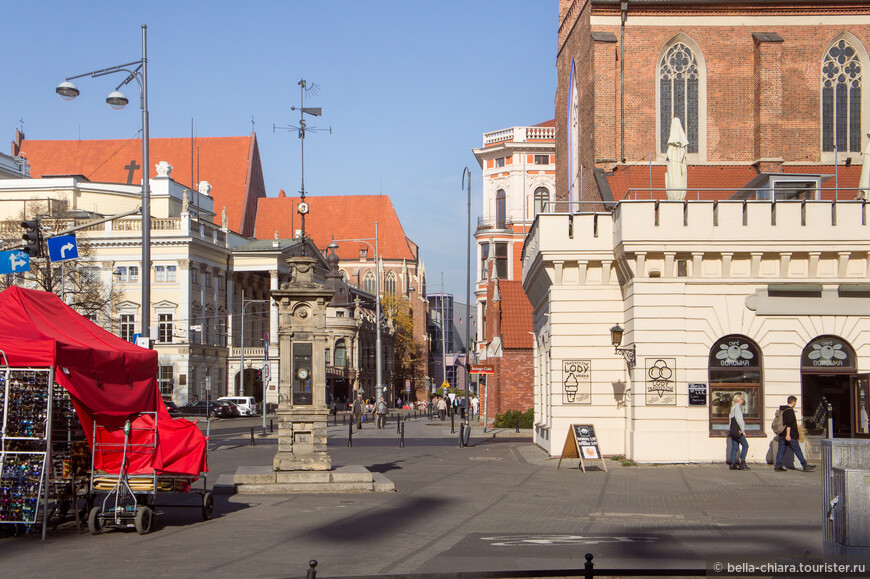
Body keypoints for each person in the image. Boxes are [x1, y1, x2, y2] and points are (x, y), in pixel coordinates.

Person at [774, 395, 816, 472]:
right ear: (793, 402)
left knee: (781, 450)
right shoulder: (790, 411)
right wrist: (788, 435)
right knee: (797, 450)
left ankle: (778, 465)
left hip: (782, 434)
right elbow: (789, 424)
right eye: (795, 402)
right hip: (790, 435)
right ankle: (805, 465)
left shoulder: (783, 410)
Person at [728, 394, 750, 470]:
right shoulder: (737, 407)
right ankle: (742, 463)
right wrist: (743, 430)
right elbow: (739, 420)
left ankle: (732, 463)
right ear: (739, 400)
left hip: (732, 431)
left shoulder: (733, 407)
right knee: (745, 445)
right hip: (738, 431)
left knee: (735, 447)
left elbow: (731, 421)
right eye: (742, 399)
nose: (743, 401)